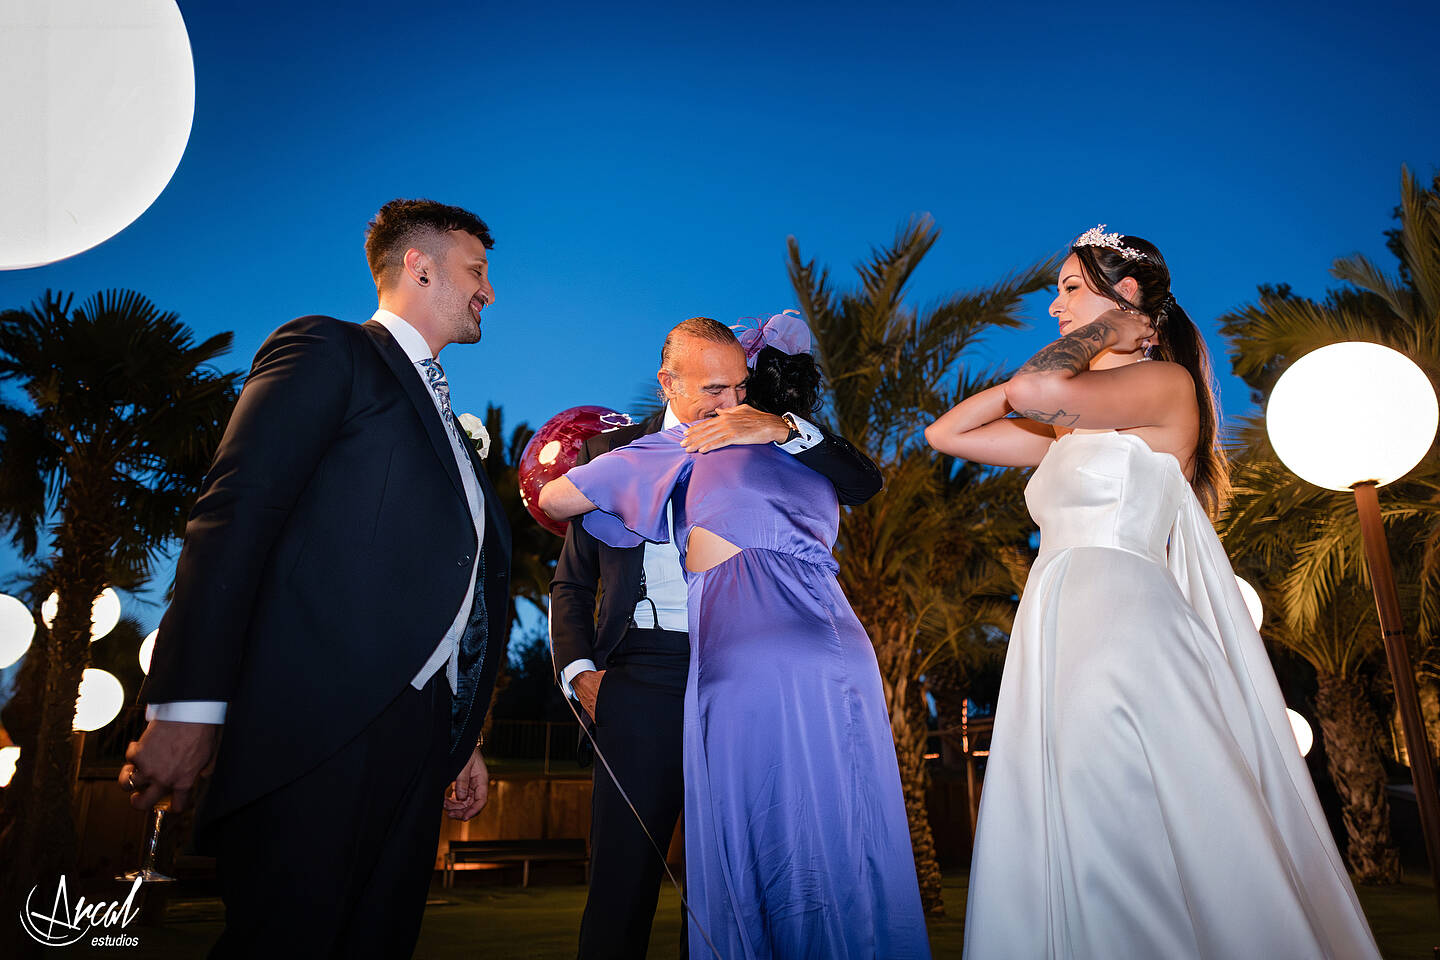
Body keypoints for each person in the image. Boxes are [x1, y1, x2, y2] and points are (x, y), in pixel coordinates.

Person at [925, 226, 1380, 958]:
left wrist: (1102, 338)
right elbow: (946, 434)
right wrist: (1046, 378)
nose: (1053, 308)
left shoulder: (1164, 388)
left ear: (1127, 297)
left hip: (1121, 620)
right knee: (1076, 811)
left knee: (1124, 809)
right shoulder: (1074, 423)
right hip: (1058, 619)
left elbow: (1038, 387)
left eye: (1071, 288)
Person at [120, 199, 512, 959]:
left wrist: (456, 729)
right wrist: (189, 704)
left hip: (416, 737)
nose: (487, 292)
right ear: (419, 266)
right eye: (476, 271)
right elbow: (237, 512)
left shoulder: (452, 424)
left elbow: (447, 581)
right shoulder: (329, 350)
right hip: (319, 727)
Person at [542, 313, 930, 960]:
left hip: (750, 671)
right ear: (669, 383)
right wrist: (578, 672)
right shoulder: (614, 456)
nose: (732, 402)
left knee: (774, 853)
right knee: (622, 882)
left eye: (741, 387)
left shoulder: (767, 438)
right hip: (648, 675)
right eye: (713, 391)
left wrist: (779, 426)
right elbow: (572, 583)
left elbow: (860, 480)